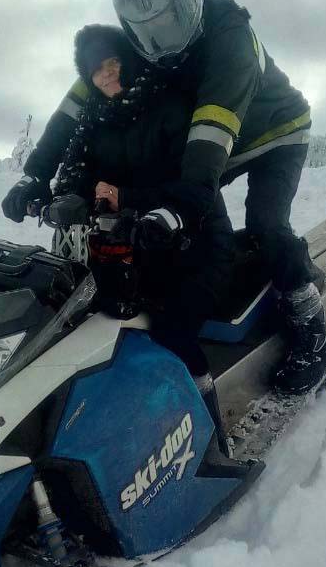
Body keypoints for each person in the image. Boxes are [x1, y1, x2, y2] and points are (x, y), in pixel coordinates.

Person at [2, 0, 326, 395]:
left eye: (170, 20)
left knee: (266, 225)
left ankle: (313, 333)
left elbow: (209, 138)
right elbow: (72, 109)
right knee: (187, 225)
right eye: (145, 30)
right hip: (214, 137)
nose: (161, 40)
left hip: (274, 133)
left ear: (191, 0)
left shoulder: (229, 39)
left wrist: (177, 207)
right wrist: (36, 174)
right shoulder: (142, 48)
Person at [44, 24, 235, 440]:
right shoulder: (94, 118)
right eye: (96, 70)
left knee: (171, 331)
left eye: (112, 62)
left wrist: (126, 195)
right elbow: (75, 168)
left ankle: (211, 433)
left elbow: (194, 187)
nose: (107, 75)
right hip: (139, 250)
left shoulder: (168, 106)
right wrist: (60, 198)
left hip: (198, 242)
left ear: (127, 59)